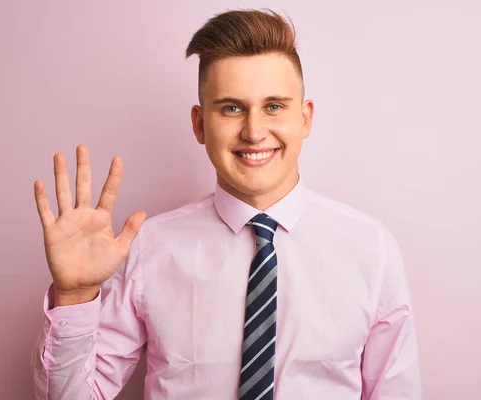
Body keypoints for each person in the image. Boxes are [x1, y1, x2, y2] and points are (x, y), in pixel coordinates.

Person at [31, 8, 422, 400]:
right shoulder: (149, 247)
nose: (254, 131)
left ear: (305, 118)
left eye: (274, 106)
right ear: (200, 124)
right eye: (232, 108)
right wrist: (73, 297)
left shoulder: (371, 249)